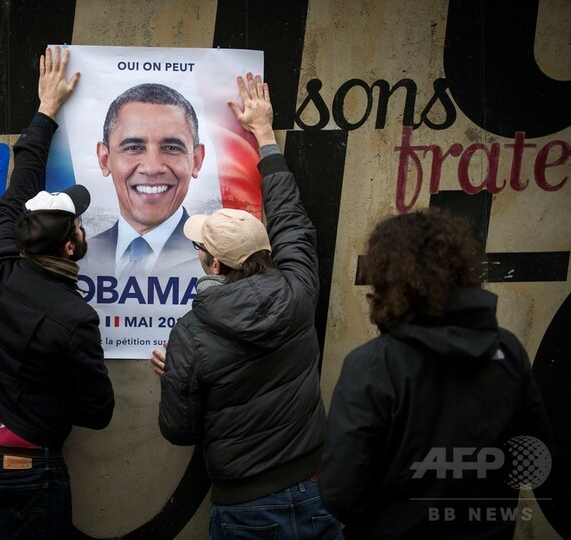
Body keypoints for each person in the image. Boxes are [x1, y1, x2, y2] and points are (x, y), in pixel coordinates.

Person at [151, 73, 343, 539]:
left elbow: (179, 430)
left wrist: (177, 374)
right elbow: (291, 220)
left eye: (200, 247)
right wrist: (265, 135)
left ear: (214, 263)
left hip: (244, 510)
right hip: (317, 491)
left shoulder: (192, 334)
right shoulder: (299, 288)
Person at [318, 208, 554, 539]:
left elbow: (340, 492)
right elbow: (536, 458)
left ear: (386, 277)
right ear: (461, 268)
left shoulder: (372, 365)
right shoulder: (509, 350)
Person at [0, 45, 115, 539]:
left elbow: (20, 187)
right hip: (31, 470)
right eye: (77, 223)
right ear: (71, 247)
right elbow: (98, 411)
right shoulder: (74, 318)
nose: (81, 225)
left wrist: (46, 110)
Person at [80, 82, 206, 277]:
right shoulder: (80, 257)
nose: (152, 168)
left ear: (196, 160)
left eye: (171, 148)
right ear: (105, 159)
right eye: (133, 148)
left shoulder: (216, 259)